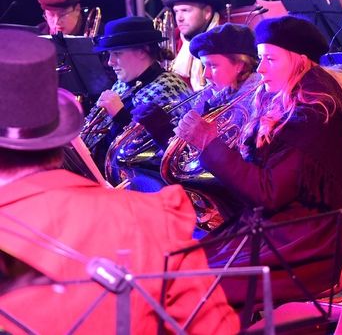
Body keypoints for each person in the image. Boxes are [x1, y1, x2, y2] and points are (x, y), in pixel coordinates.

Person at [0, 28, 238, 334]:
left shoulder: (162, 86)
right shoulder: (153, 219)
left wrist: (124, 117)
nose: (111, 62)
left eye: (117, 54)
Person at [175, 16, 342, 304]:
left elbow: (267, 193)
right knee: (176, 266)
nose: (261, 68)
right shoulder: (293, 100)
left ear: (300, 62)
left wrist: (209, 143)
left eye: (271, 59)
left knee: (183, 284)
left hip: (302, 249)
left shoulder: (312, 114)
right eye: (261, 58)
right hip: (282, 232)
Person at [123, 24, 261, 208]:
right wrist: (163, 131)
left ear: (240, 65)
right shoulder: (210, 97)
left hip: (236, 202)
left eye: (213, 65)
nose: (206, 74)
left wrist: (165, 131)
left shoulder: (255, 100)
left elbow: (228, 169)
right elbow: (186, 155)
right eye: (204, 66)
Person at [82, 16, 191, 173]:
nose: (110, 62)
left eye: (117, 53)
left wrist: (120, 115)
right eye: (109, 54)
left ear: (142, 51)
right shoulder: (122, 83)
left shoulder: (170, 87)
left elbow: (166, 154)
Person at [167, 0, 223, 90]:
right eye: (176, 11)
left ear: (207, 12)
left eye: (185, 10)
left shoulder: (227, 40)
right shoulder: (175, 40)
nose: (179, 18)